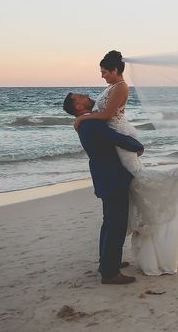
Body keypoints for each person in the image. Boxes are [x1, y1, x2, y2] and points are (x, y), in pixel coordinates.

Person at [73, 50, 178, 275]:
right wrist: (84, 118)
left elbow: (108, 114)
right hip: (116, 144)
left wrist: (82, 117)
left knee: (135, 182)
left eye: (104, 71)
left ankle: (174, 179)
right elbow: (104, 117)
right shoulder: (112, 87)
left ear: (115, 70)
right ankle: (109, 263)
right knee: (123, 202)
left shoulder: (121, 86)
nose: (102, 76)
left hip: (120, 137)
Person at [63, 92, 143, 285]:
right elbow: (116, 137)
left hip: (104, 176)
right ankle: (110, 273)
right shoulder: (91, 124)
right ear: (79, 107)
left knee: (109, 222)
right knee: (116, 224)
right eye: (81, 96)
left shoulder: (87, 122)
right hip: (112, 177)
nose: (86, 95)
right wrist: (138, 145)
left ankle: (107, 262)